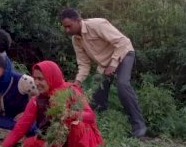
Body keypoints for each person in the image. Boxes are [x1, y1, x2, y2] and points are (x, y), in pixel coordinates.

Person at [0, 61, 106, 147]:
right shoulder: (37, 101)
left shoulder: (70, 92)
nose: (37, 83)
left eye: (41, 79)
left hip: (76, 144)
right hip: (55, 145)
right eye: (35, 79)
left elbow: (90, 116)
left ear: (52, 77)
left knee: (79, 126)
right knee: (27, 145)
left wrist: (70, 114)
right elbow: (19, 129)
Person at [60, 8, 147, 138]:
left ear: (77, 20)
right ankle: (98, 127)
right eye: (64, 27)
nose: (67, 30)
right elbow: (84, 64)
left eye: (69, 26)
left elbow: (122, 42)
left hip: (124, 54)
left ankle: (139, 126)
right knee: (96, 94)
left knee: (122, 85)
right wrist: (77, 82)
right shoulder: (75, 40)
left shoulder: (97, 24)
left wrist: (113, 64)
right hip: (105, 64)